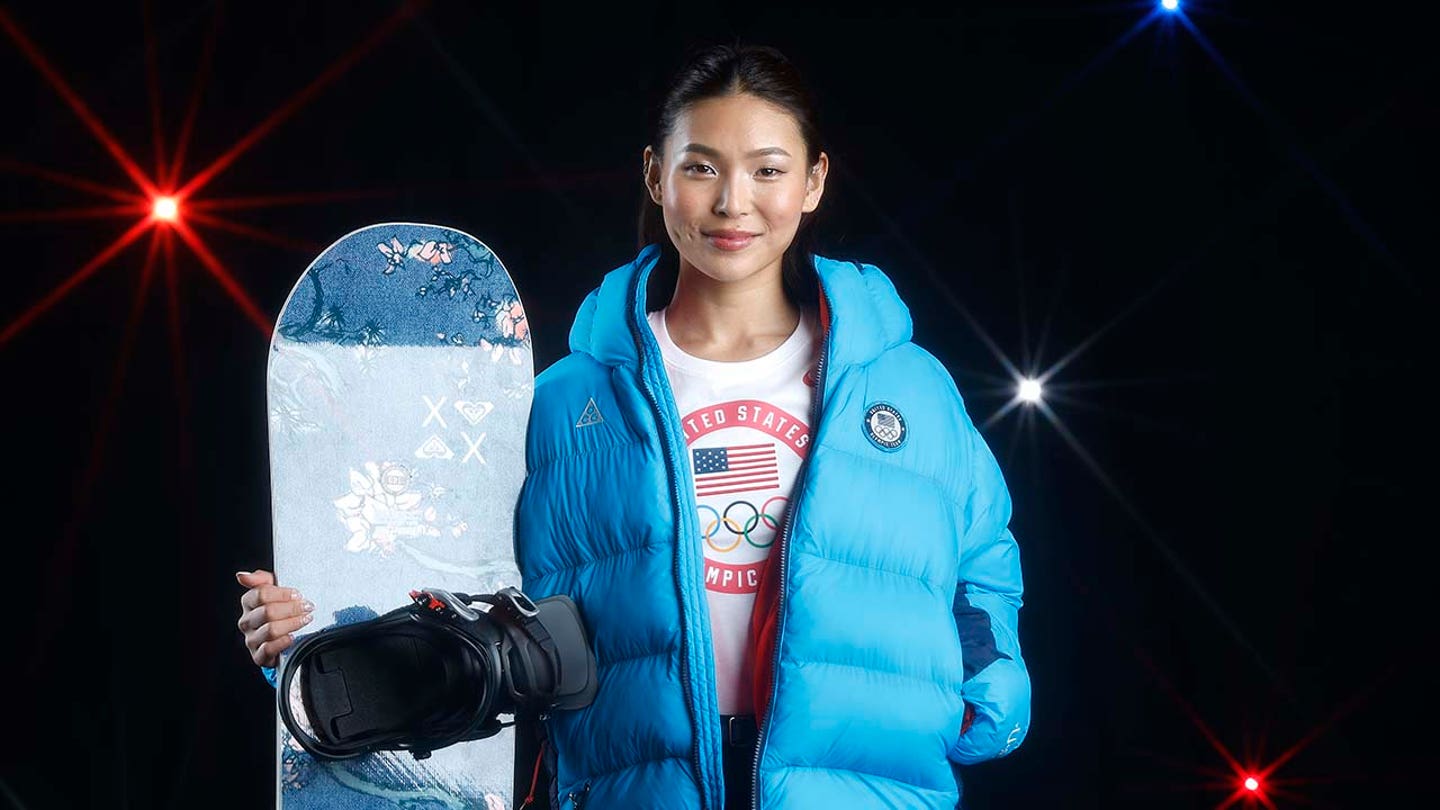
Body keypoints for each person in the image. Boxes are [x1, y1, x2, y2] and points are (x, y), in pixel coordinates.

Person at [237, 40, 1030, 809]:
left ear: (814, 181)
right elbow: (450, 585)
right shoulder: (564, 402)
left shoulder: (905, 387)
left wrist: (989, 683)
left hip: (856, 787)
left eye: (767, 170)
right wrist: (311, 636)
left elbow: (981, 553)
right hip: (635, 786)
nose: (733, 202)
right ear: (656, 175)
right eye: (700, 167)